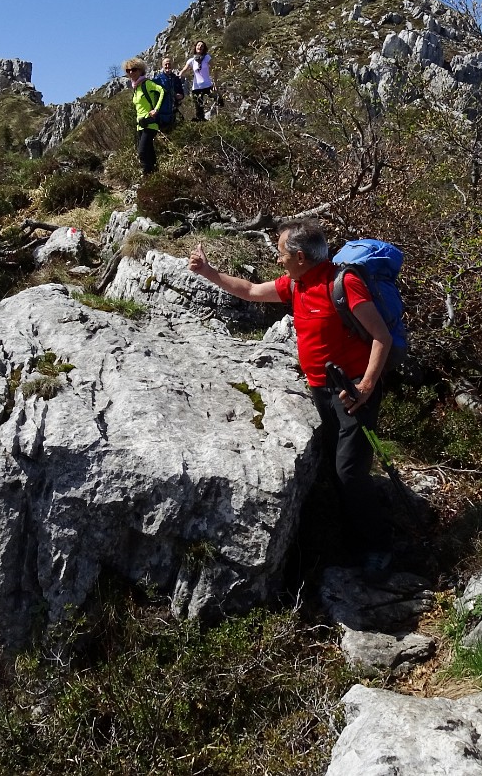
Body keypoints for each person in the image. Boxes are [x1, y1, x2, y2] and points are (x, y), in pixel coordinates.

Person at [188, 219, 395, 579]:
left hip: (354, 391)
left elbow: (382, 337)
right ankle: (350, 538)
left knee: (349, 471)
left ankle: (377, 548)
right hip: (321, 389)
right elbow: (252, 291)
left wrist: (365, 387)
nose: (278, 259)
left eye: (282, 253)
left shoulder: (343, 284)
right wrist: (209, 272)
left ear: (300, 256)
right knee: (336, 466)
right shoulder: (297, 284)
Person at [124, 57, 165, 175]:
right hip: (140, 126)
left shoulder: (147, 83)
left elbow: (161, 91)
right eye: (128, 70)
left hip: (150, 124)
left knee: (141, 152)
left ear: (140, 70)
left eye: (134, 69)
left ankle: (147, 176)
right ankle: (155, 176)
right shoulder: (136, 87)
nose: (131, 72)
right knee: (149, 152)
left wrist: (156, 109)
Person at [178, 40, 217, 121]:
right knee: (199, 109)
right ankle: (202, 124)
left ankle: (220, 117)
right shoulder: (191, 60)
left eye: (202, 46)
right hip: (196, 88)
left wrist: (215, 82)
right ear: (195, 47)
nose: (200, 47)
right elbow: (184, 69)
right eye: (198, 45)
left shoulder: (207, 58)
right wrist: (180, 74)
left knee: (218, 99)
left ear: (204, 48)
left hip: (207, 85)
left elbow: (215, 69)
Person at [151, 57, 185, 132]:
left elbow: (181, 93)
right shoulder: (157, 79)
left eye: (169, 64)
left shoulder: (176, 79)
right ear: (162, 66)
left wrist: (180, 96)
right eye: (165, 64)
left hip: (174, 111)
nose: (167, 66)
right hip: (161, 113)